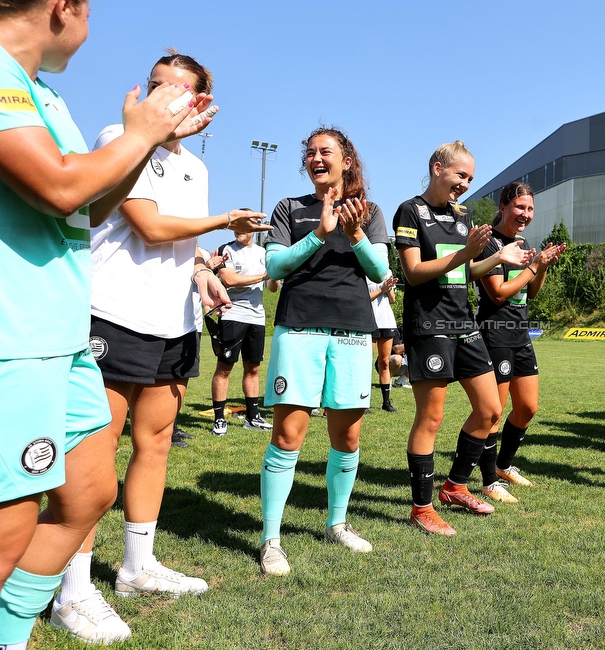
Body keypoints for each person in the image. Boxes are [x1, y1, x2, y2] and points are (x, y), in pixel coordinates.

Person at [0, 2, 216, 641]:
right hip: (19, 331)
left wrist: (136, 143)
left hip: (59, 334)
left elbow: (86, 211)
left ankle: (13, 629)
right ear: (65, 7)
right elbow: (62, 187)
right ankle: (44, 612)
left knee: (90, 490)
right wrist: (141, 137)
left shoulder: (45, 94)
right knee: (13, 516)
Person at [54, 50, 271, 641]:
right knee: (93, 457)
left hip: (174, 323)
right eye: (157, 86)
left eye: (180, 90)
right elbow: (146, 224)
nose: (165, 97)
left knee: (154, 444)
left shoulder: (195, 169)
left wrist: (201, 269)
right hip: (114, 314)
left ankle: (135, 567)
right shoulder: (120, 136)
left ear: (202, 103)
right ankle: (71, 590)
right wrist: (223, 221)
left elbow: (173, 241)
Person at [257, 127, 390, 575]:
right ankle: (270, 540)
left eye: (326, 152)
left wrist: (354, 234)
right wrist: (318, 234)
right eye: (310, 152)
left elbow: (380, 271)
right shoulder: (289, 209)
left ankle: (337, 523)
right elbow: (272, 266)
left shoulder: (369, 212)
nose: (316, 158)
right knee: (287, 436)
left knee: (347, 437)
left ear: (346, 160)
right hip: (298, 329)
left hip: (352, 331)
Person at [393, 141, 532, 535]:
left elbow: (465, 273)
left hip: (464, 322)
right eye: (460, 176)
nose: (465, 185)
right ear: (438, 168)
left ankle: (454, 486)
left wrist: (497, 259)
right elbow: (414, 273)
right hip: (429, 324)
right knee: (431, 418)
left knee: (490, 410)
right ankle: (421, 508)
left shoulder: (462, 214)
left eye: (470, 178)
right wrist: (464, 254)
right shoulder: (411, 210)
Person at [475, 182, 565, 503]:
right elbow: (498, 292)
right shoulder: (490, 243)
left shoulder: (522, 242)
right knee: (492, 413)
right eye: (519, 207)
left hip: (520, 334)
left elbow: (531, 291)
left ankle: (503, 465)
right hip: (494, 333)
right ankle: (488, 481)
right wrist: (532, 266)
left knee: (527, 407)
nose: (525, 214)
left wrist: (541, 267)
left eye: (529, 209)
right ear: (503, 206)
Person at [210, 222, 280, 436]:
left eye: (244, 227)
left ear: (254, 229)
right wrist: (263, 276)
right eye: (236, 227)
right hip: (233, 314)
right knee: (225, 367)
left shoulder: (264, 252)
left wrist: (275, 273)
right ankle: (219, 419)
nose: (239, 231)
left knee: (253, 369)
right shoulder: (226, 250)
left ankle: (252, 417)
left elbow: (272, 287)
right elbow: (230, 280)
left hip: (257, 317)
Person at [368, 273, 399, 412]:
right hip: (369, 321)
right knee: (366, 363)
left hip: (386, 321)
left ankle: (386, 402)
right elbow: (364, 299)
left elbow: (392, 300)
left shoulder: (387, 271)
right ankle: (364, 401)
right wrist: (381, 289)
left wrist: (389, 287)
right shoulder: (364, 270)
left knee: (384, 362)